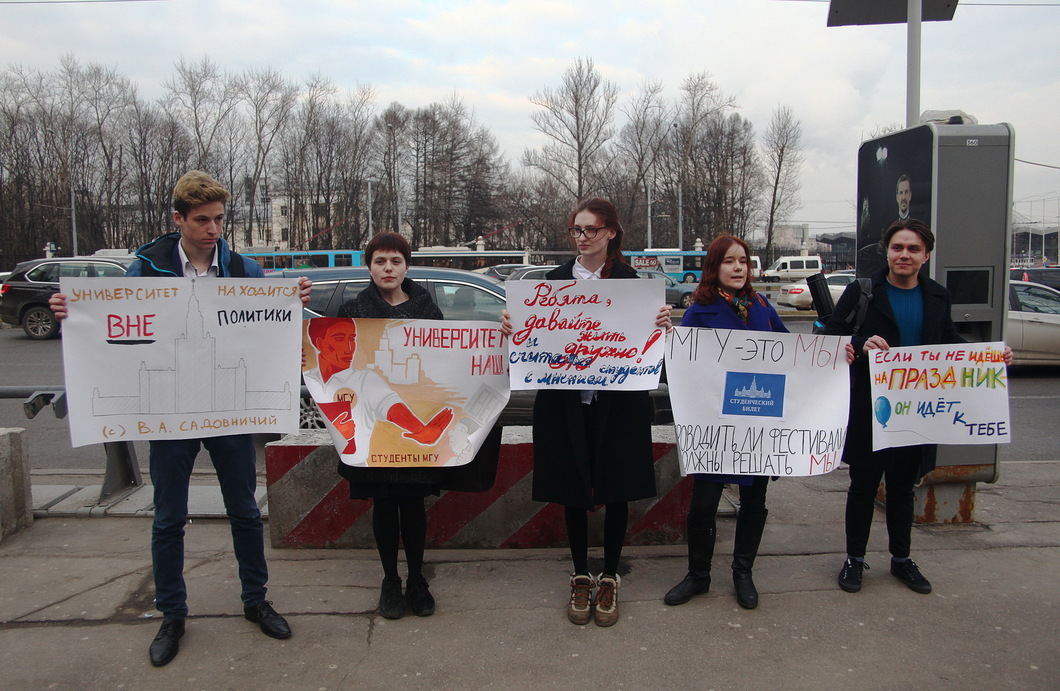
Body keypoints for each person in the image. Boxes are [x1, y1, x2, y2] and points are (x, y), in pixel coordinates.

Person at [50, 170, 312, 667]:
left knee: (244, 510)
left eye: (218, 219)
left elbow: (268, 328)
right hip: (170, 415)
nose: (214, 229)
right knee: (169, 516)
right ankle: (172, 613)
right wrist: (70, 310)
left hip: (229, 414)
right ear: (178, 220)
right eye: (202, 220)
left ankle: (255, 600)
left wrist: (291, 303)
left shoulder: (243, 269)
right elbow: (109, 323)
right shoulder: (146, 268)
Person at [500, 198, 672, 627]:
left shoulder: (635, 286)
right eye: (576, 230)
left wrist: (663, 326)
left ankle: (610, 575)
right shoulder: (550, 283)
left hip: (619, 405)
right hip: (565, 404)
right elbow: (530, 340)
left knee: (617, 489)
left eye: (590, 230)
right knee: (571, 487)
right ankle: (580, 573)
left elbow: (650, 348)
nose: (581, 238)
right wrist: (513, 327)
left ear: (611, 232)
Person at [823, 218, 1012, 595]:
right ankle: (854, 560)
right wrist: (859, 343)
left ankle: (901, 559)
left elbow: (949, 343)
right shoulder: (864, 291)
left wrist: (990, 358)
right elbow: (829, 332)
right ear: (887, 251)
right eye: (897, 247)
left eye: (912, 249)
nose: (904, 255)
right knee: (862, 486)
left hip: (918, 412)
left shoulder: (937, 295)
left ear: (925, 255)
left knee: (903, 487)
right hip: (870, 408)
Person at [327, 231, 453, 620]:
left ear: (406, 266)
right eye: (380, 261)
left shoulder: (427, 309)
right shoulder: (353, 310)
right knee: (383, 503)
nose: (388, 268)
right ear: (369, 266)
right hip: (371, 428)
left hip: (414, 410)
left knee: (413, 503)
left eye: (395, 261)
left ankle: (417, 578)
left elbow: (449, 356)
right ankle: (389, 580)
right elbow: (335, 362)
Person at [663, 234, 789, 611]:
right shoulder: (698, 311)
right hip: (714, 424)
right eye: (729, 261)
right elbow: (678, 369)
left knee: (754, 500)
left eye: (743, 261)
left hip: (757, 422)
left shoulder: (763, 306)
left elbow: (795, 356)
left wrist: (835, 352)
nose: (738, 268)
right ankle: (698, 576)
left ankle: (743, 573)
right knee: (703, 505)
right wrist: (664, 342)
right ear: (714, 267)